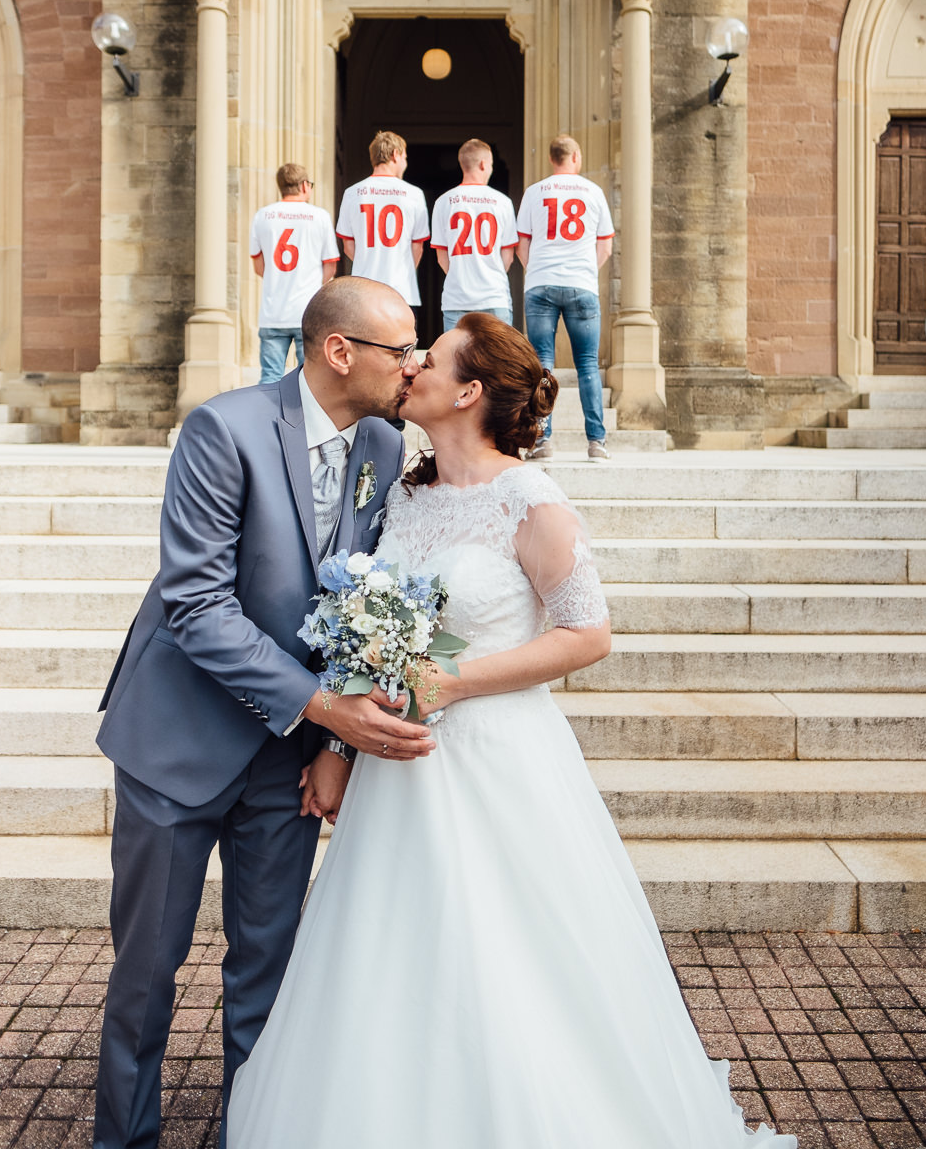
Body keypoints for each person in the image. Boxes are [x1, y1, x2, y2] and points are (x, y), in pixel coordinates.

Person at [227, 314, 796, 1149]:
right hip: (399, 767)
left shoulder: (529, 498)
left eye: (433, 356)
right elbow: (373, 631)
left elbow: (587, 633)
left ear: (468, 391)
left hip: (499, 760)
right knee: (394, 954)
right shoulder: (403, 493)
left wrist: (453, 682)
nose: (412, 364)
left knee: (509, 958)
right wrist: (337, 745)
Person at [92, 277, 435, 1149]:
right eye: (402, 349)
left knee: (268, 972)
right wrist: (324, 710)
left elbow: (366, 608)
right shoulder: (225, 427)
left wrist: (333, 745)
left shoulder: (386, 451)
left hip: (288, 764)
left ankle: (253, 1131)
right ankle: (123, 1139)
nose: (415, 363)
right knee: (146, 973)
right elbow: (198, 604)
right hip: (179, 743)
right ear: (339, 351)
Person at [516, 133, 614, 460]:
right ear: (576, 157)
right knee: (588, 364)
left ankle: (543, 439)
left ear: (551, 159)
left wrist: (537, 270)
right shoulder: (594, 192)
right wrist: (586, 270)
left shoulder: (534, 192)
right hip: (581, 283)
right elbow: (605, 246)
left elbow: (522, 245)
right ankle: (596, 442)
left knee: (543, 365)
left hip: (541, 282)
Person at [249, 163, 339, 383]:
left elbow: (258, 266)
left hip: (272, 311)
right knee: (308, 379)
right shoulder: (319, 216)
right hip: (306, 310)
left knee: (270, 376)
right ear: (305, 186)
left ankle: (265, 419)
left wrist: (277, 280)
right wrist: (312, 284)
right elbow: (331, 265)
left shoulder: (263, 216)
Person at [335, 130, 430, 310]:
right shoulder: (414, 194)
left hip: (363, 290)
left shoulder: (353, 192)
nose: (405, 164)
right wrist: (404, 270)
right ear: (395, 155)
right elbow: (417, 247)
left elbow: (348, 245)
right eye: (405, 158)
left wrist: (367, 260)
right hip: (402, 290)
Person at [430, 138, 517, 331]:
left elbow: (442, 256)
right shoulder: (502, 202)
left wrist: (461, 275)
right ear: (483, 164)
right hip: (495, 296)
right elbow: (508, 255)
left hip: (457, 298)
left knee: (456, 359)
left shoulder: (444, 202)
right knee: (499, 360)